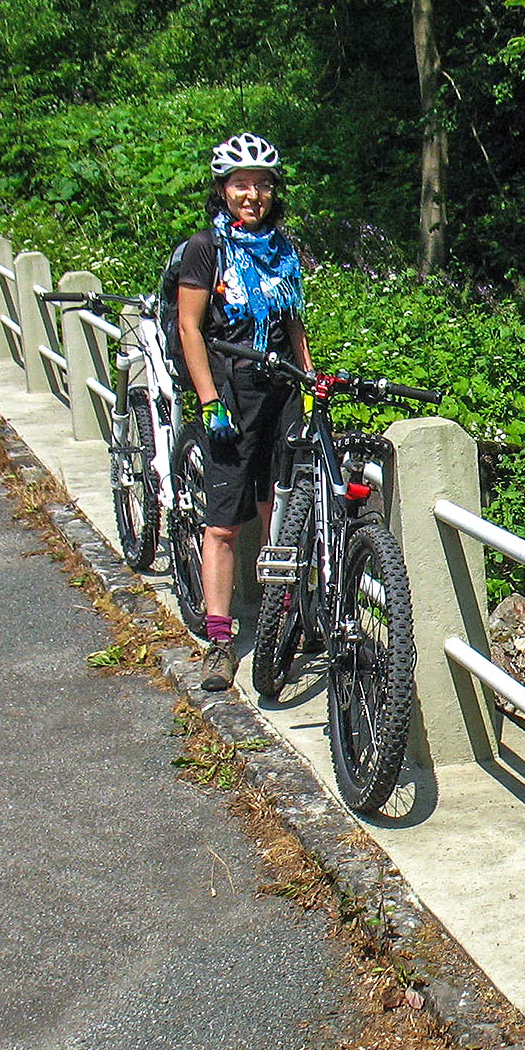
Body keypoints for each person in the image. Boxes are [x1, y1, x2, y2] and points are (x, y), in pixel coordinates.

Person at [176, 133, 313, 691]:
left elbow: (292, 319)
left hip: (280, 389)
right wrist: (209, 401)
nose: (252, 194)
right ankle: (219, 641)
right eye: (240, 184)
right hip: (232, 392)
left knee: (276, 508)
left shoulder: (281, 247)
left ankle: (282, 619)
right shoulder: (205, 249)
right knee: (224, 522)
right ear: (223, 190)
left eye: (261, 185)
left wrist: (309, 377)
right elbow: (190, 327)